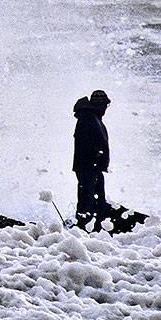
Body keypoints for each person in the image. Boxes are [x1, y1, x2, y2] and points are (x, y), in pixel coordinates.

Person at [72, 89, 112, 231]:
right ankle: (84, 228)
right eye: (105, 105)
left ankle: (92, 227)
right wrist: (95, 156)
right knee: (88, 199)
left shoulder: (91, 117)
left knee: (93, 199)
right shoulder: (89, 118)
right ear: (99, 105)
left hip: (91, 167)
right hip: (89, 167)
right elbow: (86, 142)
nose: (106, 109)